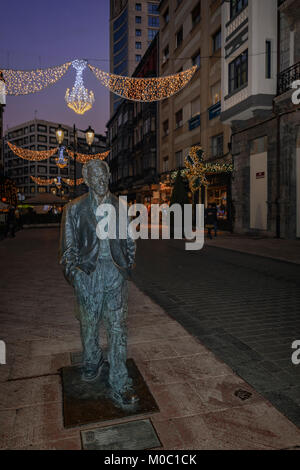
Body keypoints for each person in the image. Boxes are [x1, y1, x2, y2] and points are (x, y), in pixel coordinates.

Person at [59, 160, 138, 407]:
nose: (101, 180)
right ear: (87, 179)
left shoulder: (120, 206)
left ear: (109, 176)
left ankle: (120, 382)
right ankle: (92, 360)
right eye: (95, 176)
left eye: (103, 175)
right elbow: (67, 250)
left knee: (117, 328)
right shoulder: (74, 209)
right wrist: (76, 276)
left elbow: (129, 242)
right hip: (88, 274)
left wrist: (126, 269)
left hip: (114, 273)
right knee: (89, 324)